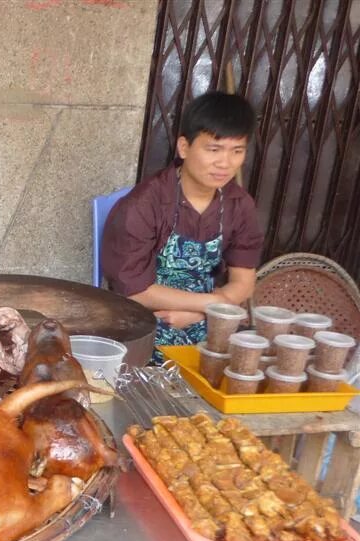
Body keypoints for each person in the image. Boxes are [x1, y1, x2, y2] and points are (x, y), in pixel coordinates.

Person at [101, 91, 264, 361]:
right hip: (147, 323)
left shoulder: (239, 204)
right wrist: (212, 304)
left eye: (237, 151)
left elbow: (244, 283)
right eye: (213, 149)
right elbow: (135, 290)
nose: (225, 163)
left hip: (209, 325)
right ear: (184, 147)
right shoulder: (144, 205)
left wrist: (199, 313)